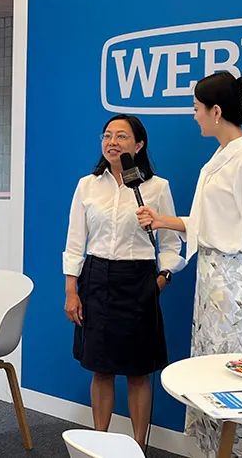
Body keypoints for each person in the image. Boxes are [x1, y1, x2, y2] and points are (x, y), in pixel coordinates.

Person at [136, 72, 242, 458]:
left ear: (216, 111)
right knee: (211, 368)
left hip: (232, 282)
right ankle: (217, 451)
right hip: (212, 279)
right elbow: (206, 223)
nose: (193, 115)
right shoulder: (220, 157)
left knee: (233, 370)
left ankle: (236, 451)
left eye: (196, 108)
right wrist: (161, 221)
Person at [63, 114, 185, 446]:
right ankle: (99, 443)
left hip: (138, 280)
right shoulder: (87, 185)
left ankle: (138, 446)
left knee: (137, 371)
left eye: (121, 136)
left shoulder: (156, 187)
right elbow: (74, 243)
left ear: (139, 145)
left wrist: (162, 278)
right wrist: (71, 290)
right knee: (100, 368)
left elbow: (172, 244)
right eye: (107, 136)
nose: (112, 142)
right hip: (96, 278)